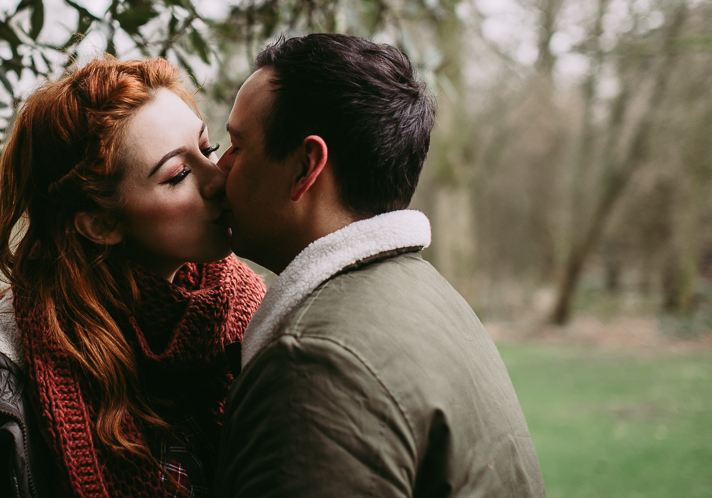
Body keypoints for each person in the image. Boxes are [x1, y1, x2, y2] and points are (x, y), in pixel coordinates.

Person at [0, 57, 266, 498]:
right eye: (178, 174)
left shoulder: (250, 312)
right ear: (100, 224)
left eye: (207, 148)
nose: (217, 179)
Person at [214, 34, 545, 497]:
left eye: (237, 145)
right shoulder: (430, 297)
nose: (219, 168)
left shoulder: (315, 363)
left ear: (305, 167)